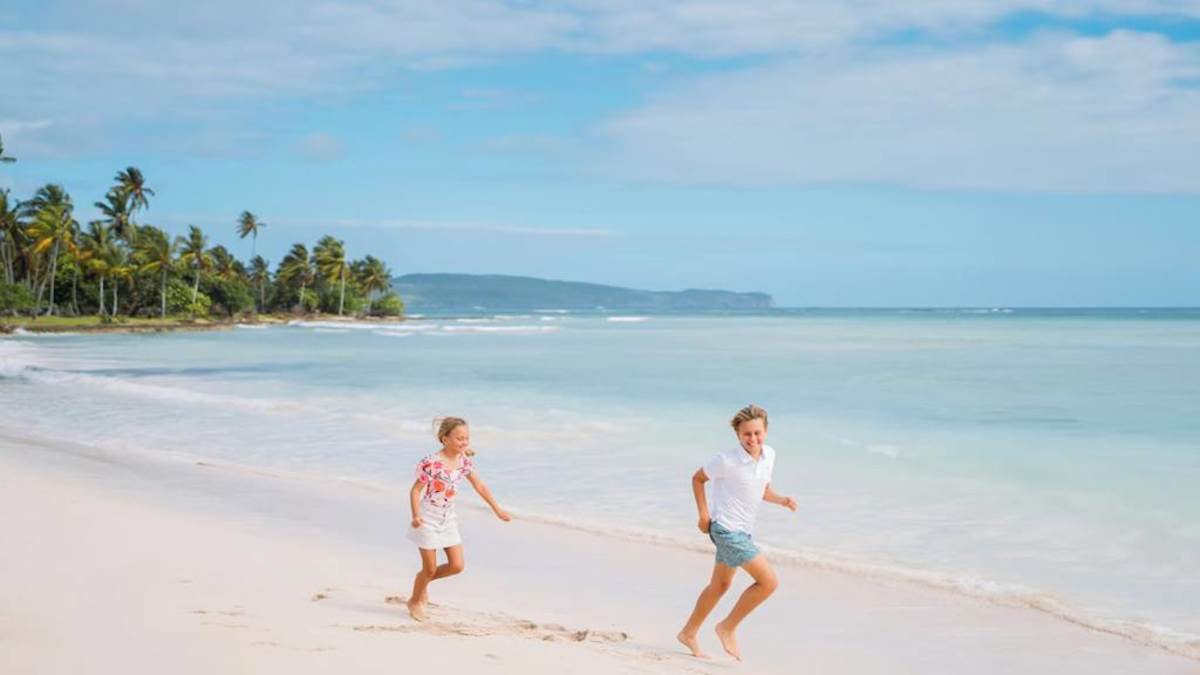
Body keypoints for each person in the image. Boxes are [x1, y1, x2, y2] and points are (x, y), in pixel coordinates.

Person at [677, 404, 797, 660]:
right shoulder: (726, 460)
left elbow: (762, 490)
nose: (752, 439)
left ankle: (688, 633)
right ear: (738, 435)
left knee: (720, 585)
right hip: (726, 530)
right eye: (747, 434)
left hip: (743, 532)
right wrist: (703, 515)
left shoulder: (769, 455)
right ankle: (727, 627)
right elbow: (697, 479)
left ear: (765, 431)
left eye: (757, 433)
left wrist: (782, 500)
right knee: (769, 582)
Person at [406, 416, 511, 621]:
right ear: (445, 439)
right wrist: (416, 515)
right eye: (459, 438)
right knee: (430, 568)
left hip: (448, 518)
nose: (464, 442)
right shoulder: (431, 463)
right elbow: (415, 490)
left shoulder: (463, 461)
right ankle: (415, 601)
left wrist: (497, 510)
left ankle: (422, 582)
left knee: (456, 566)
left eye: (466, 438)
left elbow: (480, 486)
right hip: (427, 518)